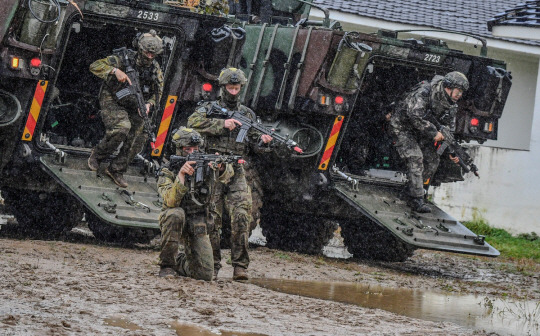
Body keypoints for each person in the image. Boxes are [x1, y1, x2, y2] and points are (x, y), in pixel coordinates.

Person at [187, 67, 272, 281]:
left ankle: (240, 266)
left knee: (243, 215)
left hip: (237, 169)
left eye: (237, 88)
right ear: (223, 87)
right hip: (213, 167)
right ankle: (213, 265)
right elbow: (192, 123)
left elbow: (254, 141)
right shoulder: (208, 108)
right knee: (212, 220)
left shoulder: (247, 114)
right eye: (230, 88)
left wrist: (263, 142)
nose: (233, 92)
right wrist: (221, 124)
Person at [88, 30, 164, 188]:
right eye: (147, 52)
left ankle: (116, 169)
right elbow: (95, 66)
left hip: (135, 103)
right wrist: (115, 71)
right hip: (112, 98)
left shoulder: (155, 69)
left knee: (140, 136)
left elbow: (158, 93)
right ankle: (98, 154)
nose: (149, 57)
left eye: (153, 54)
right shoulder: (123, 59)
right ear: (139, 48)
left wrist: (149, 104)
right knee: (123, 128)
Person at [157, 127, 234, 280]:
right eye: (187, 149)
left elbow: (228, 175)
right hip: (176, 219)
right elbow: (170, 201)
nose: (192, 153)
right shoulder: (168, 171)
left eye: (196, 149)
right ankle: (167, 265)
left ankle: (180, 262)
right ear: (179, 150)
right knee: (175, 214)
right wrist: (181, 176)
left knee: (204, 275)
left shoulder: (206, 166)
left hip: (198, 220)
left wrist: (221, 167)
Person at [388, 71, 469, 213]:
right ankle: (416, 199)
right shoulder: (425, 92)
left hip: (422, 134)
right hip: (403, 128)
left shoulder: (451, 106)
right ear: (448, 87)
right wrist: (433, 132)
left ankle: (411, 189)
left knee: (432, 161)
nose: (459, 95)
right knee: (416, 157)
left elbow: (448, 131)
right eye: (458, 91)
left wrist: (450, 151)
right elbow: (414, 116)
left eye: (462, 92)